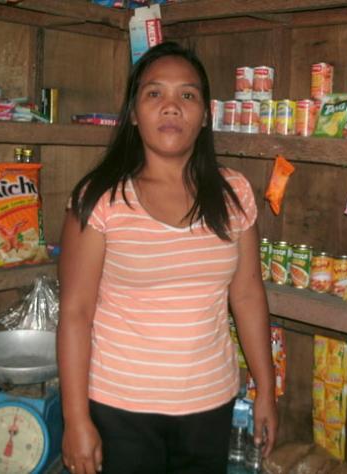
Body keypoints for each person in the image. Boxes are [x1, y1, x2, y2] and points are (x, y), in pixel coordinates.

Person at [57, 41, 277, 474]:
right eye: (155, 93)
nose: (171, 107)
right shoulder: (101, 198)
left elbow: (248, 295)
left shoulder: (234, 193)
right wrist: (75, 419)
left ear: (205, 115)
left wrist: (266, 390)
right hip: (120, 408)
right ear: (134, 113)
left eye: (187, 95)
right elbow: (76, 313)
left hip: (211, 403)